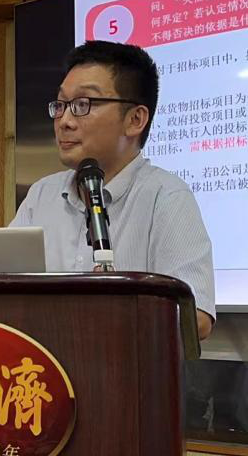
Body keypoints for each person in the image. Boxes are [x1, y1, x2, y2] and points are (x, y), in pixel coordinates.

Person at [11, 40, 215, 339]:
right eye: (61, 105)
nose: (64, 121)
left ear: (135, 120)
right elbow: (4, 288)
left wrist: (112, 311)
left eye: (83, 105)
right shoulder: (42, 194)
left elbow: (195, 318)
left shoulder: (166, 196)